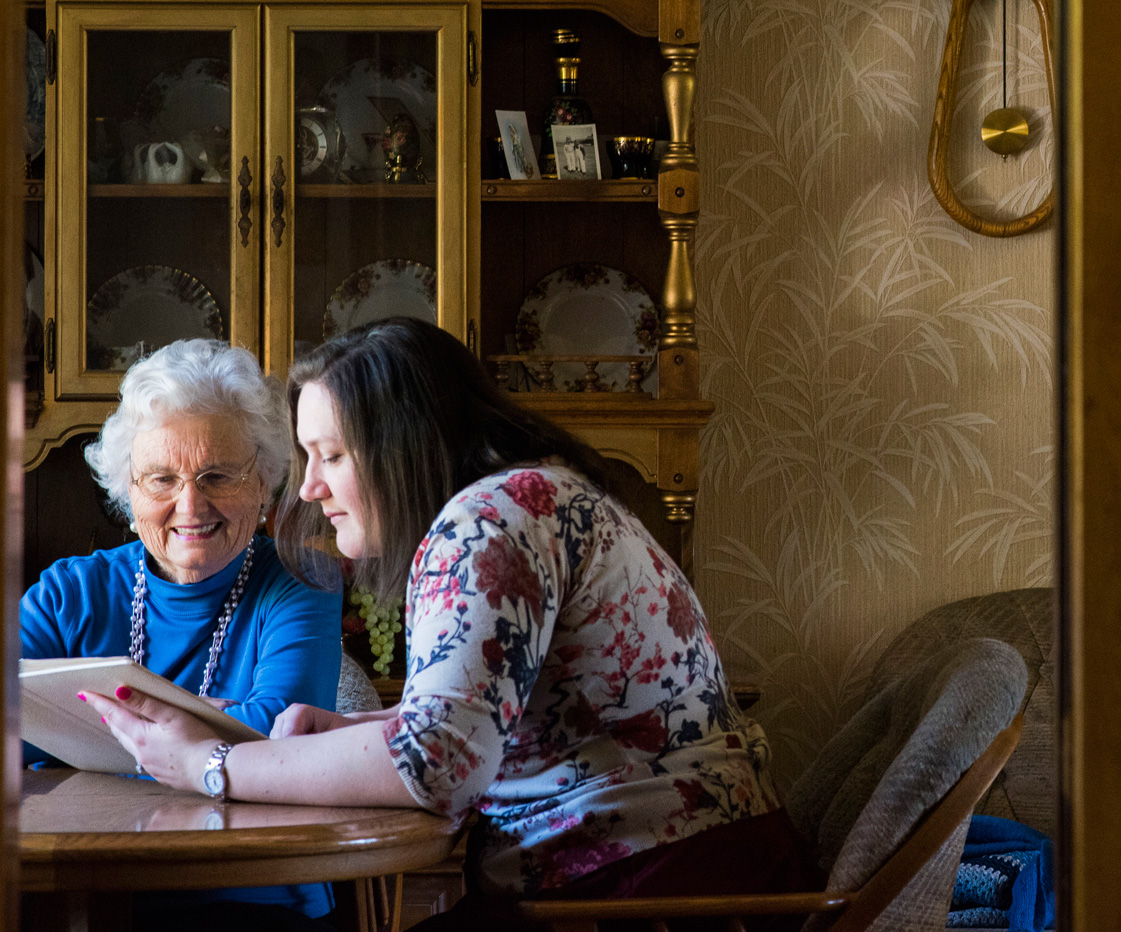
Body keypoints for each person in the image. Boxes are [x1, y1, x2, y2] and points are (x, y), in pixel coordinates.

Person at [79, 319, 809, 924]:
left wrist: (208, 767)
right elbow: (470, 731)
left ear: (401, 447)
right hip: (665, 877)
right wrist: (370, 730)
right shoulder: (529, 497)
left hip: (648, 896)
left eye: (331, 454)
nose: (308, 486)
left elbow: (436, 768)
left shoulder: (487, 523)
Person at [21, 339, 344, 931]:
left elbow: (280, 731)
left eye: (218, 475)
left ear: (266, 481)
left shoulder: (302, 579)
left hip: (254, 898)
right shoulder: (69, 593)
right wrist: (206, 728)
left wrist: (76, 730)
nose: (189, 505)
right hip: (83, 890)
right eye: (161, 478)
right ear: (127, 489)